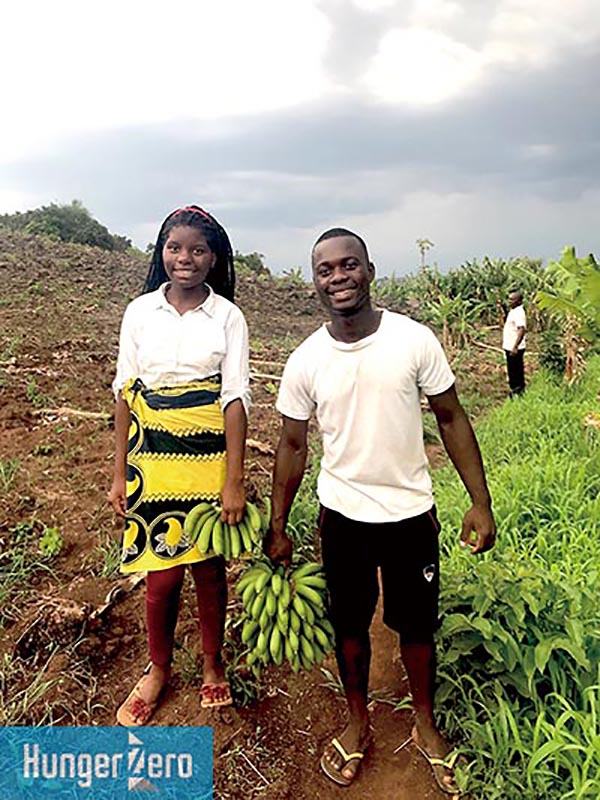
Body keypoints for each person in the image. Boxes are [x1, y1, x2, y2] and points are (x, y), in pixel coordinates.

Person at [265, 228, 496, 794]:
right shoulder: (306, 360)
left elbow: (450, 417)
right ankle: (357, 722)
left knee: (417, 627)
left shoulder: (413, 340)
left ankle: (424, 724)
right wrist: (277, 526)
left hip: (410, 514)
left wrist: (480, 501)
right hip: (342, 516)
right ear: (314, 280)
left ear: (370, 271)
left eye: (349, 265)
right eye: (325, 269)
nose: (337, 277)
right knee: (349, 626)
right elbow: (292, 446)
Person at [108, 205, 250, 725]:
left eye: (196, 249)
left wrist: (233, 479)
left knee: (208, 571)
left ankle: (213, 665)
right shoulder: (140, 312)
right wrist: (118, 469)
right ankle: (159, 668)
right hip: (152, 459)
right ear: (161, 252)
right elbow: (124, 391)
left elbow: (235, 398)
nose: (184, 258)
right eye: (174, 247)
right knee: (161, 576)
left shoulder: (228, 317)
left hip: (208, 459)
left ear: (213, 258)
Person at [502, 290, 527, 396]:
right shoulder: (514, 311)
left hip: (514, 347)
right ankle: (518, 391)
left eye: (512, 299)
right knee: (515, 370)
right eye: (509, 299)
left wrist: (515, 347)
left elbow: (522, 329)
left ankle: (517, 392)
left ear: (519, 301)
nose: (509, 301)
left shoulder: (518, 313)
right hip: (511, 346)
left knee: (515, 371)